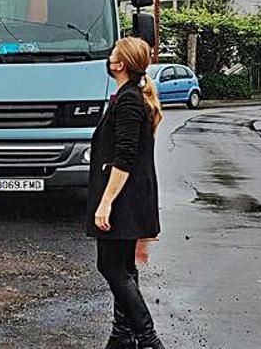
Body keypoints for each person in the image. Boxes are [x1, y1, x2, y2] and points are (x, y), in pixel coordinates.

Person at [87, 37, 165, 349]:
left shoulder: (130, 100)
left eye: (112, 55)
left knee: (110, 266)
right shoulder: (128, 96)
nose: (108, 58)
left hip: (124, 200)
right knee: (124, 266)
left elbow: (125, 158)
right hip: (131, 199)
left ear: (120, 65)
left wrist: (105, 203)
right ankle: (122, 335)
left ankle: (147, 339)